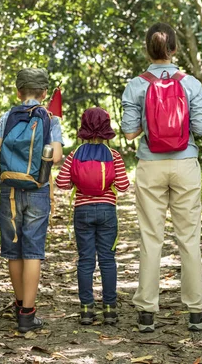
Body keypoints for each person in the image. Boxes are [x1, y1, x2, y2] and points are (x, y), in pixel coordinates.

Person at [121, 22, 202, 333]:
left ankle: (147, 311)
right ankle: (197, 311)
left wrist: (150, 124)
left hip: (151, 165)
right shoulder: (191, 84)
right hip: (185, 163)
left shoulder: (136, 84)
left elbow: (130, 131)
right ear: (174, 49)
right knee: (189, 238)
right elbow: (200, 129)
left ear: (148, 49)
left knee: (151, 237)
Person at [0, 68, 63, 333]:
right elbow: (55, 156)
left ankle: (19, 303)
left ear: (18, 92)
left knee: (14, 249)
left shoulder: (7, 116)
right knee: (33, 250)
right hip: (37, 189)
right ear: (44, 93)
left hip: (8, 190)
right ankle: (27, 315)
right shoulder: (50, 119)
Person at [55, 107, 130, 325]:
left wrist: (78, 183)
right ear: (107, 127)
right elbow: (124, 186)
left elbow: (61, 183)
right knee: (107, 259)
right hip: (107, 211)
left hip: (82, 211)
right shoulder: (113, 155)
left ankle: (87, 310)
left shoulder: (75, 154)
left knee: (86, 260)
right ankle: (109, 309)